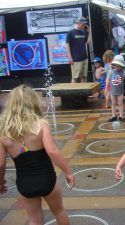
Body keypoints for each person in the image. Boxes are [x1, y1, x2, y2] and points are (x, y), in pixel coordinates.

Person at [0, 85, 75, 225]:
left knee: (35, 219)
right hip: (47, 179)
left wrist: (0, 183)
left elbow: (0, 164)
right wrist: (68, 172)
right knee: (59, 211)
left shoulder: (3, 130)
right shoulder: (41, 124)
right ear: (33, 102)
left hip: (25, 183)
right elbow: (52, 151)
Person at [105, 55, 125, 122]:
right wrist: (106, 88)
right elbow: (107, 80)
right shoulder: (111, 72)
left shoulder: (124, 73)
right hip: (112, 91)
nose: (117, 67)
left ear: (122, 66)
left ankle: (121, 116)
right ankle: (113, 115)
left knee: (120, 103)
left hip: (120, 92)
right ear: (113, 65)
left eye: (119, 66)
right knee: (113, 103)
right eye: (116, 65)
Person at [66, 17, 91, 83]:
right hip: (76, 59)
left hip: (84, 58)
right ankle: (73, 92)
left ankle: (84, 92)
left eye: (85, 24)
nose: (84, 25)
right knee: (75, 77)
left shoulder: (84, 32)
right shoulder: (71, 33)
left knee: (84, 76)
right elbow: (67, 46)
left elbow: (88, 43)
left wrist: (90, 33)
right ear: (78, 23)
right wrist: (70, 58)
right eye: (83, 24)